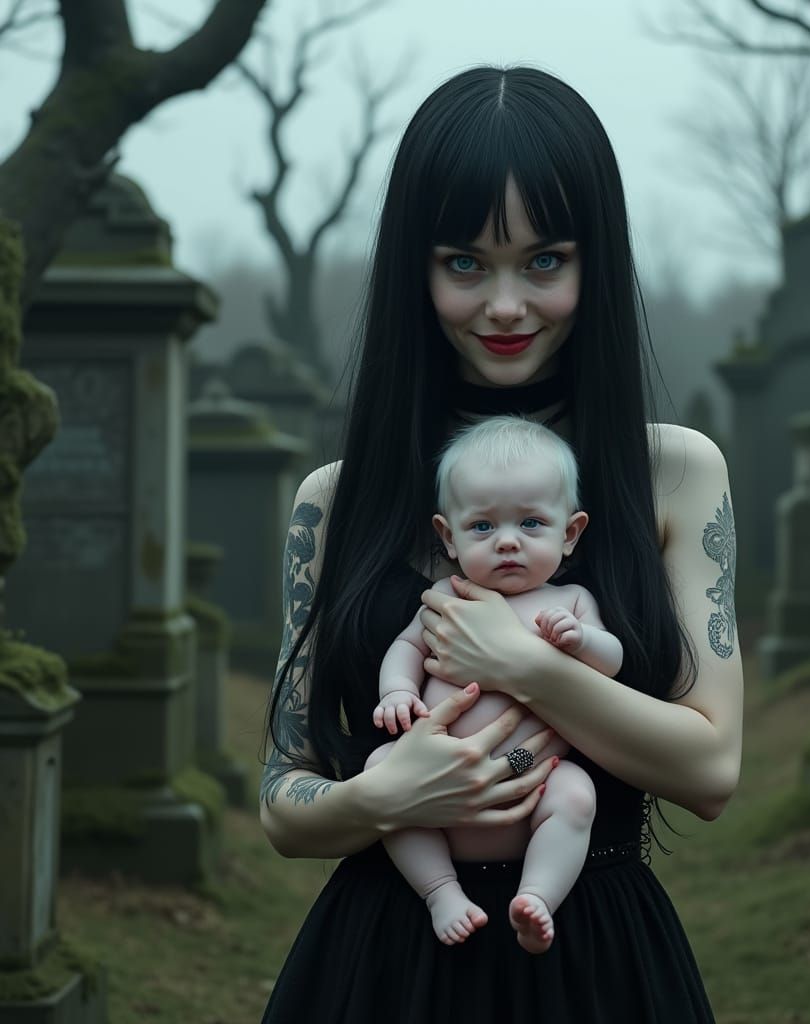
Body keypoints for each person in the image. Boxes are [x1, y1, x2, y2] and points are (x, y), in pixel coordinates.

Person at [260, 65, 743, 1024]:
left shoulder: (676, 475)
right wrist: (381, 797)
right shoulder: (335, 502)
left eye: (545, 261)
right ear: (417, 267)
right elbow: (284, 797)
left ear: (592, 264)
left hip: (594, 955)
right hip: (385, 964)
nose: (508, 305)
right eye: (466, 263)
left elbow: (710, 773)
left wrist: (524, 663)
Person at [370, 415, 623, 952]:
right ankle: (441, 891)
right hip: (431, 786)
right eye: (483, 527)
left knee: (576, 793)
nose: (507, 542)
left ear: (570, 532)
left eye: (531, 523)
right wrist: (397, 690)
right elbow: (407, 647)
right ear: (449, 536)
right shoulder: (446, 596)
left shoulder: (570, 602)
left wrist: (580, 640)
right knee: (376, 772)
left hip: (533, 780)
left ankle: (535, 898)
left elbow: (612, 661)